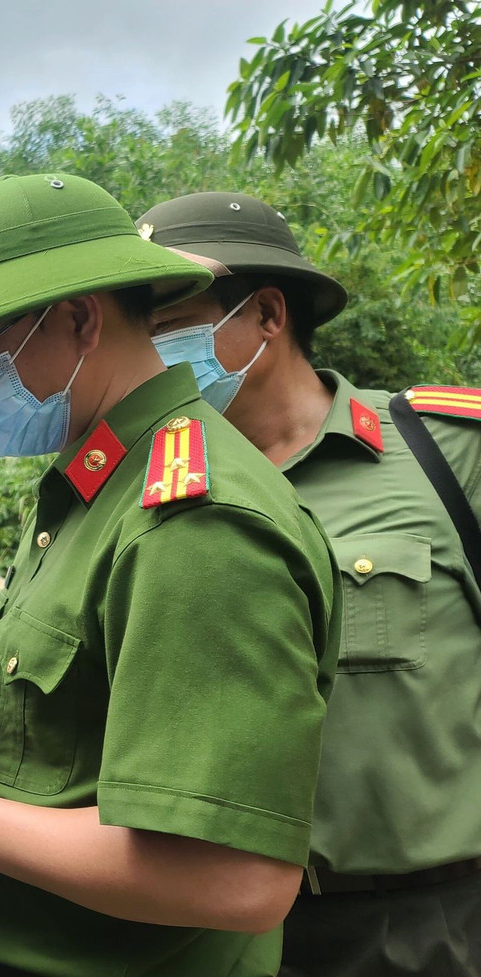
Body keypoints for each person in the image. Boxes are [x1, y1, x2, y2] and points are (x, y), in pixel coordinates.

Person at [0, 173, 342, 977]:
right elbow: (46, 689)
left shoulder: (192, 522)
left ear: (80, 318)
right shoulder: (97, 484)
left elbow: (237, 876)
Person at [139, 190, 481, 977]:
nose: (150, 355)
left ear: (266, 313)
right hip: (216, 937)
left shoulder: (443, 456)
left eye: (168, 327)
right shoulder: (152, 494)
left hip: (431, 929)